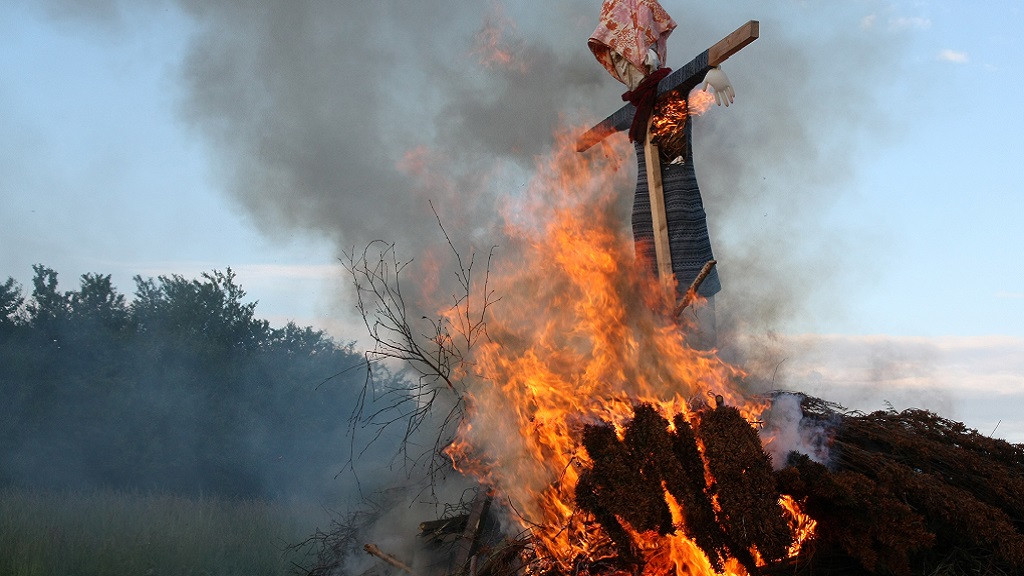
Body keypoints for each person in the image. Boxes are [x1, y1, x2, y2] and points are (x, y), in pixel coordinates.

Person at [588, 0, 731, 349]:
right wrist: (594, 143)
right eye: (616, 59)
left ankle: (705, 357)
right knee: (652, 291)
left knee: (695, 281)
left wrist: (714, 68)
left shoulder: (672, 87)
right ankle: (662, 358)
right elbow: (598, 132)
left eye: (625, 55)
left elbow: (700, 64)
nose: (621, 66)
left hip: (681, 201)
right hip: (645, 210)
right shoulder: (633, 108)